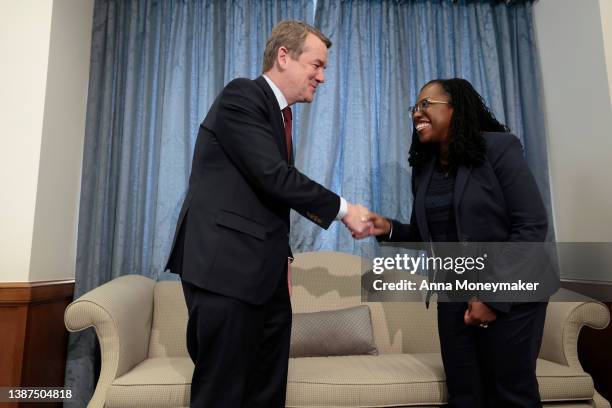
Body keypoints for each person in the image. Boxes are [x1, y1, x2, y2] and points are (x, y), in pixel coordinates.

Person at [164, 20, 370, 408]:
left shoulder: (281, 116)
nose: (322, 77)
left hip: (264, 277)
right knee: (222, 394)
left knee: (266, 391)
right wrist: (344, 210)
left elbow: (261, 197)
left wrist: (281, 260)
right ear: (283, 57)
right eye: (316, 65)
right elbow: (275, 177)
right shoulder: (242, 95)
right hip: (227, 272)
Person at [365, 78, 549, 407]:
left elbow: (531, 226)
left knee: (510, 395)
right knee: (464, 394)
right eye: (414, 107)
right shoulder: (424, 170)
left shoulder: (499, 149)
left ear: (455, 109)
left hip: (513, 292)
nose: (416, 113)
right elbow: (430, 235)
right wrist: (387, 228)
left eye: (426, 104)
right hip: (454, 294)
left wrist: (492, 298)